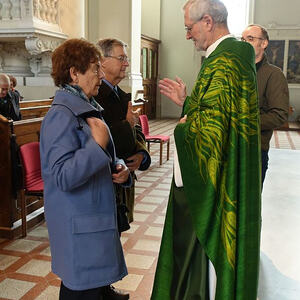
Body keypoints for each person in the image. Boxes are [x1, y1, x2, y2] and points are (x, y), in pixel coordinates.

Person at [151, 1, 261, 299]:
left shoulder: (225, 60)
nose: (188, 35)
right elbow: (220, 117)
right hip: (224, 169)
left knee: (196, 252)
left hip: (213, 179)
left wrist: (182, 127)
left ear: (208, 21)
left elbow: (211, 133)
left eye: (190, 28)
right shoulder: (229, 57)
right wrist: (187, 104)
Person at [40, 38, 130, 300]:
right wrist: (97, 147)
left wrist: (120, 168)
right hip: (79, 228)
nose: (101, 75)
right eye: (95, 69)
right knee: (80, 292)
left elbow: (106, 157)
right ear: (74, 73)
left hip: (93, 222)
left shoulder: (88, 108)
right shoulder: (61, 115)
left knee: (95, 289)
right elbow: (62, 176)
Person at [95, 38, 151, 226]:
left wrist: (142, 153)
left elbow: (136, 129)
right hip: (106, 182)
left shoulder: (120, 94)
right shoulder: (95, 95)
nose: (126, 63)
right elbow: (99, 138)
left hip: (124, 183)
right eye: (121, 58)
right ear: (103, 60)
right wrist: (126, 124)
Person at [242, 25, 289, 183]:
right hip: (229, 148)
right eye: (243, 40)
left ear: (264, 44)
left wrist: (243, 123)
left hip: (254, 151)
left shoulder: (273, 74)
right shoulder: (236, 71)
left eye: (250, 39)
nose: (245, 43)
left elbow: (279, 115)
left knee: (248, 207)